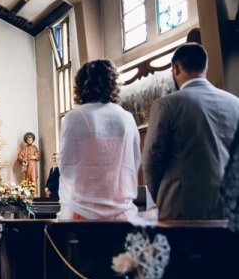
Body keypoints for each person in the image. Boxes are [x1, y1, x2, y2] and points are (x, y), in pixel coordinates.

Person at [143, 43, 239, 220]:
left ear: (176, 68)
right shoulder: (235, 103)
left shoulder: (167, 104)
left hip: (182, 209)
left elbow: (151, 158)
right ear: (206, 67)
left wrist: (161, 197)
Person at [58, 60, 140, 220]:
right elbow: (134, 162)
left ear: (81, 85)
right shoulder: (127, 117)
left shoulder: (75, 117)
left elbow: (67, 166)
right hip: (122, 212)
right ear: (113, 84)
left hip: (83, 212)